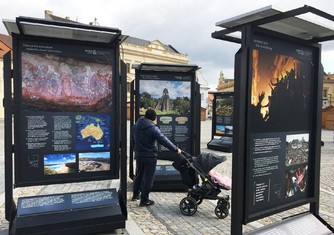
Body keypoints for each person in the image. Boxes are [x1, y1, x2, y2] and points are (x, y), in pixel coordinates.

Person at [132, 109, 182, 206]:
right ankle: (144, 200)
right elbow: (164, 140)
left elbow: (133, 138)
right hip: (150, 156)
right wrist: (176, 149)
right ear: (154, 118)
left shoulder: (136, 125)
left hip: (139, 154)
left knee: (139, 174)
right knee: (148, 178)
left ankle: (135, 194)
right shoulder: (152, 128)